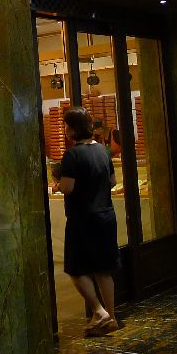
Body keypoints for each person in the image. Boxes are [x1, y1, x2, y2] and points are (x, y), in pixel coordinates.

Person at [52, 106, 120, 336]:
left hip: (83, 218)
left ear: (72, 129)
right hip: (106, 215)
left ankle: (99, 311)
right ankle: (112, 318)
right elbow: (112, 181)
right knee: (103, 270)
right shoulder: (102, 150)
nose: (64, 129)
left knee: (75, 269)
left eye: (66, 125)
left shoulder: (72, 155)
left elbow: (68, 187)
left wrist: (57, 186)